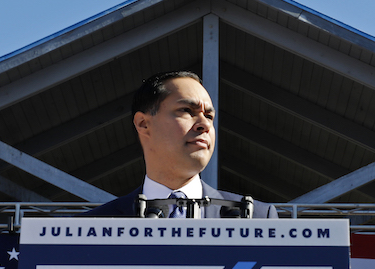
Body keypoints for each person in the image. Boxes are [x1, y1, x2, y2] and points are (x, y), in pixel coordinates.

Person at [85, 71, 278, 219]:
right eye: (187, 110)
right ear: (144, 124)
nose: (205, 124)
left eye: (209, 116)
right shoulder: (90, 228)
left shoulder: (257, 217)